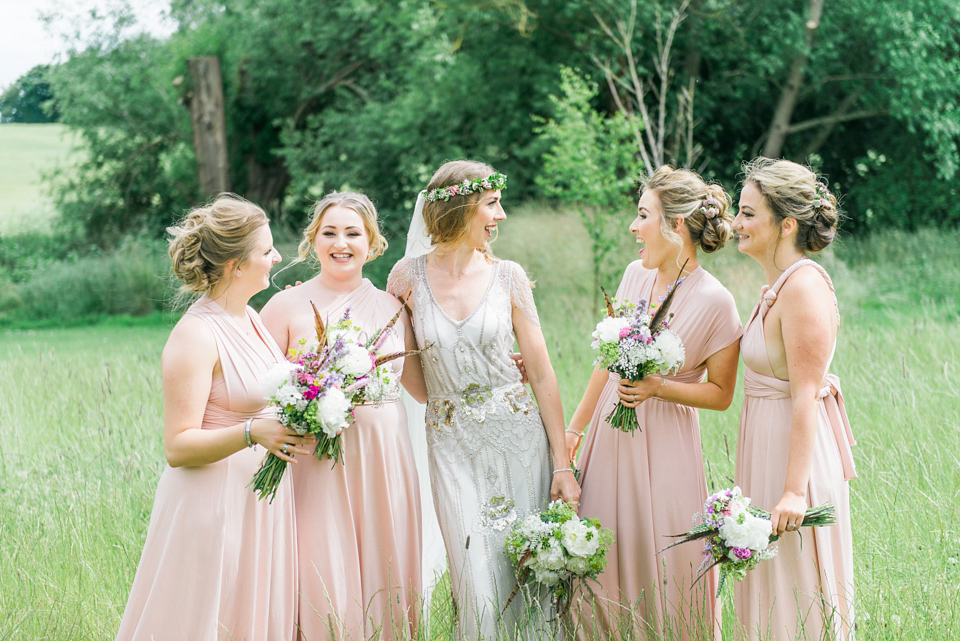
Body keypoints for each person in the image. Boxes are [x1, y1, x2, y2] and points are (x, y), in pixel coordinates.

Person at [387, 160, 580, 640]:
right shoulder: (406, 277)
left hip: (519, 437)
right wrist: (456, 398)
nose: (503, 215)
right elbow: (408, 369)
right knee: (474, 574)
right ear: (462, 206)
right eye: (492, 204)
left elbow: (540, 370)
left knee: (530, 568)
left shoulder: (508, 276)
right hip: (452, 444)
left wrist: (562, 466)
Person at [115, 195, 313, 641]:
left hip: (260, 501)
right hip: (212, 503)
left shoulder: (254, 319)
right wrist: (250, 432)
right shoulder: (195, 335)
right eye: (266, 251)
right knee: (204, 619)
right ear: (234, 266)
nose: (277, 257)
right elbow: (177, 446)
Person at [566, 166, 743, 640]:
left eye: (643, 215)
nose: (633, 226)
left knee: (665, 556)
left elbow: (722, 394)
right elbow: (605, 364)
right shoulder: (632, 275)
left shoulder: (718, 302)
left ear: (676, 226)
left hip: (667, 446)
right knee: (601, 547)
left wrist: (657, 387)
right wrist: (574, 431)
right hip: (609, 436)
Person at [260, 192, 428, 641]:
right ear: (312, 241)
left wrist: (498, 366)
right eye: (329, 232)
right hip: (315, 465)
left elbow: (422, 387)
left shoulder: (393, 307)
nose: (341, 243)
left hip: (384, 464)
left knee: (383, 567)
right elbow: (259, 388)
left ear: (372, 242)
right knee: (320, 567)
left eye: (353, 233)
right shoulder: (284, 307)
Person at [732, 157, 856, 640]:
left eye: (747, 213)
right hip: (765, 449)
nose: (735, 223)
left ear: (785, 225)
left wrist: (793, 491)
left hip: (795, 462)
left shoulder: (804, 287)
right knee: (769, 598)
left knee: (798, 597)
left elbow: (806, 395)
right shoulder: (775, 287)